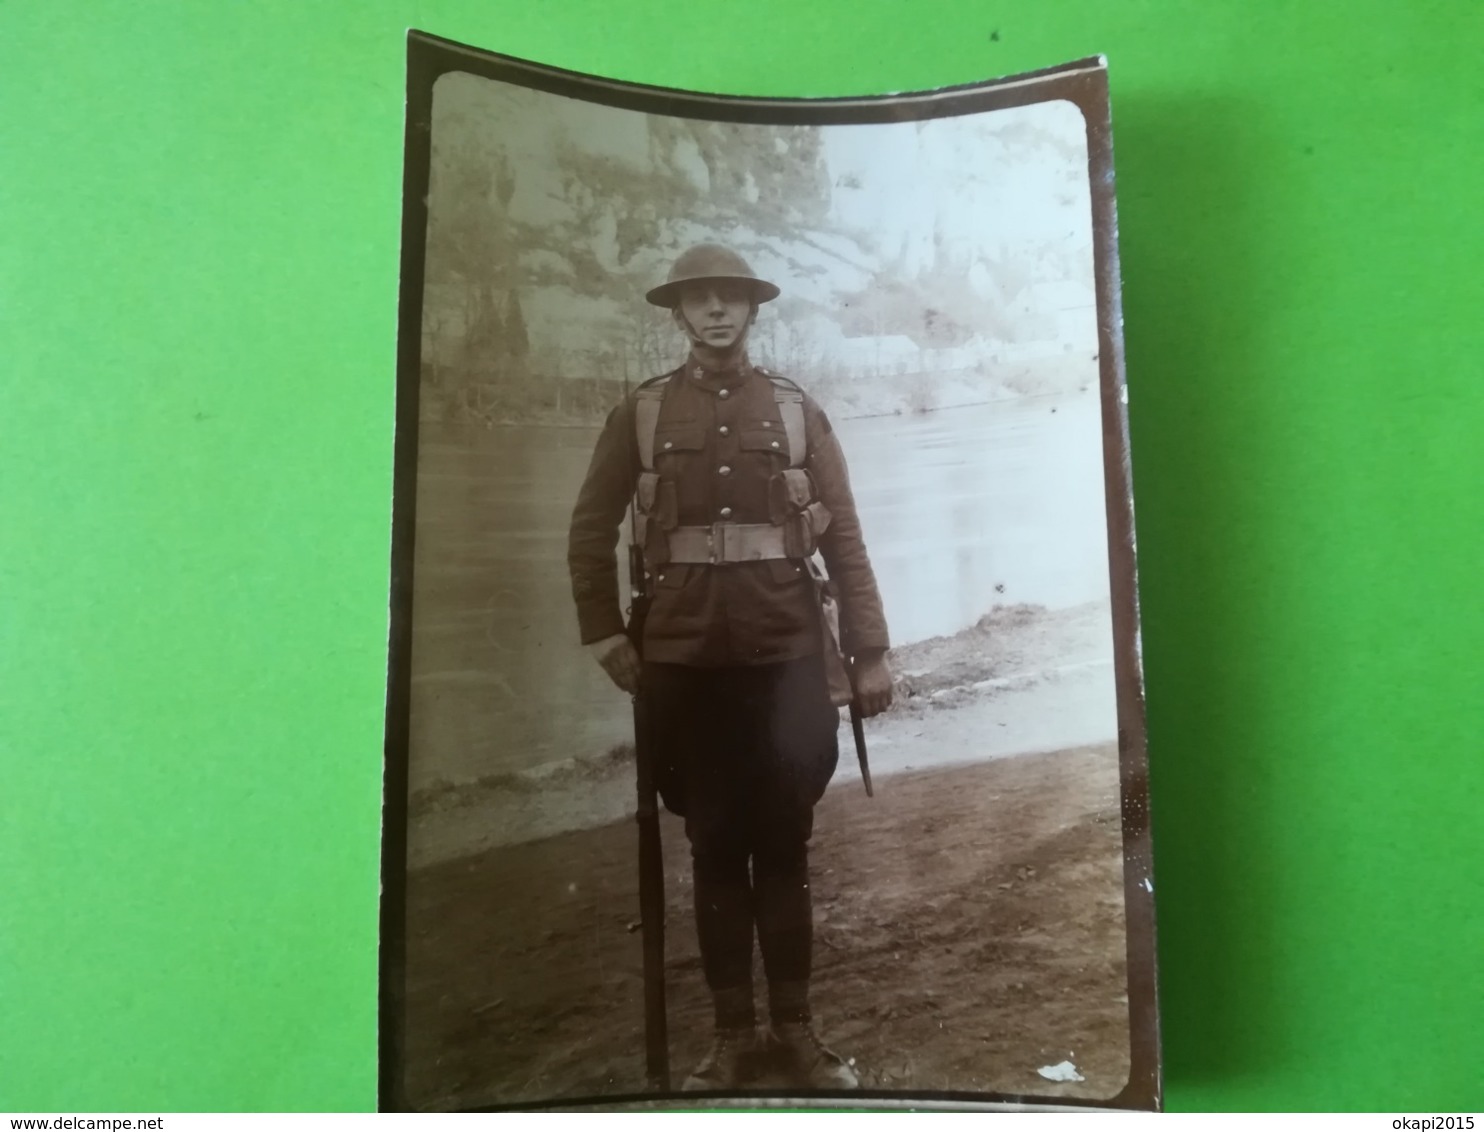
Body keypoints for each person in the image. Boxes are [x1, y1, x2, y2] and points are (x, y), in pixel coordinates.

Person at [567, 243, 893, 1091]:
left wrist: (872, 652)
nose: (716, 312)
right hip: (682, 665)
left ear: (753, 310)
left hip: (786, 662)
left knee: (784, 845)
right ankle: (730, 1039)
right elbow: (587, 528)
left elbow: (845, 536)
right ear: (678, 314)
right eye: (699, 300)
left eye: (731, 298)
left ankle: (798, 1036)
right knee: (714, 847)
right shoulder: (639, 414)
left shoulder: (794, 411)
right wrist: (603, 632)